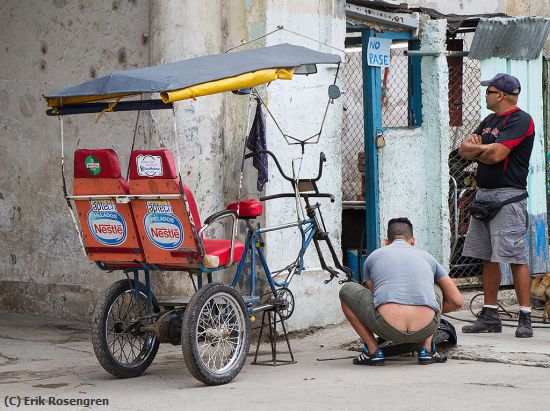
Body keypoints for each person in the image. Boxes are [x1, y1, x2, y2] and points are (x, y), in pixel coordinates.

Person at [458, 73, 535, 338]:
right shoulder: (489, 121)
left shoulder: (521, 120)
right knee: (487, 256)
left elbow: (498, 154)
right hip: (484, 195)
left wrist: (481, 149)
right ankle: (489, 314)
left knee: (515, 256)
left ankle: (525, 315)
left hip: (508, 197)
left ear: (500, 95)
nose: (486, 95)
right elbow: (463, 149)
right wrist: (483, 150)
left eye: (488, 91)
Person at [339, 218, 463, 366]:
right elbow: (457, 301)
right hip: (425, 328)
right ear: (413, 241)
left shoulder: (373, 257)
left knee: (346, 290)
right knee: (435, 287)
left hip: (386, 327)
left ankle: (373, 351)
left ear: (386, 242)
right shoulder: (428, 257)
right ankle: (427, 350)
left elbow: (375, 296)